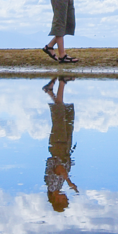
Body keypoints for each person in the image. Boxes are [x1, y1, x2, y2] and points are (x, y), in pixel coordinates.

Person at [42, 76, 78, 212]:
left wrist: (70, 182)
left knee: (59, 115)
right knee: (66, 115)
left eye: (64, 199)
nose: (65, 197)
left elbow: (59, 169)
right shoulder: (57, 186)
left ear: (57, 200)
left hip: (58, 147)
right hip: (64, 149)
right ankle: (50, 91)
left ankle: (62, 83)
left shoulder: (52, 186)